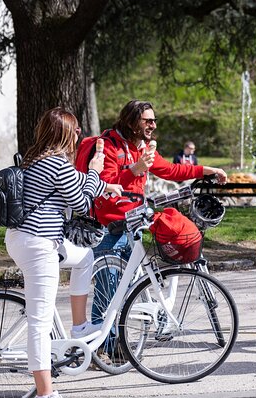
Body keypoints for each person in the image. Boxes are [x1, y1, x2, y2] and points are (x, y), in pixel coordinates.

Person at [86, 99, 227, 359]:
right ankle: (100, 350)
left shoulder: (141, 147)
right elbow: (102, 183)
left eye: (154, 120)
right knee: (108, 290)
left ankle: (112, 345)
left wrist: (208, 170)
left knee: (124, 289)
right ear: (131, 121)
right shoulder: (109, 145)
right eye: (147, 120)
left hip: (133, 223)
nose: (153, 125)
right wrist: (135, 169)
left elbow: (171, 169)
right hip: (109, 226)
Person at [5, 107, 122, 398]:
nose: (79, 133)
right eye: (76, 129)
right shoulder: (56, 164)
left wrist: (104, 184)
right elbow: (82, 202)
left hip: (25, 239)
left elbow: (78, 183)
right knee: (39, 321)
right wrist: (96, 170)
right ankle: (46, 394)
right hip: (38, 244)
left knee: (85, 258)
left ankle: (80, 327)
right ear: (64, 133)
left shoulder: (34, 159)